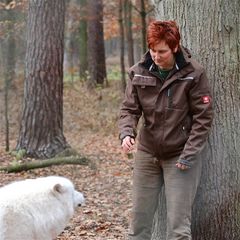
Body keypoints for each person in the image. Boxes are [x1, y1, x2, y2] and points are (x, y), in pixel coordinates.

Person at [118, 20, 213, 240]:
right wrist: (126, 133)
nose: (156, 56)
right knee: (138, 225)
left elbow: (203, 118)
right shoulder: (138, 71)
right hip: (147, 154)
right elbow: (129, 109)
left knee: (178, 229)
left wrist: (188, 156)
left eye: (162, 52)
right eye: (152, 50)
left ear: (175, 47)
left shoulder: (194, 74)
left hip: (181, 156)